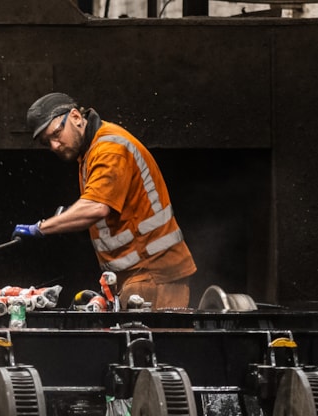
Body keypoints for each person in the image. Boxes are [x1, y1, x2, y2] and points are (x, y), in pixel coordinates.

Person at [13, 92, 196, 309]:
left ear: (75, 117)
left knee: (152, 342)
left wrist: (42, 227)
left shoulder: (110, 149)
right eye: (47, 142)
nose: (54, 146)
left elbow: (96, 207)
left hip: (154, 272)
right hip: (139, 274)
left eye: (56, 133)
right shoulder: (90, 152)